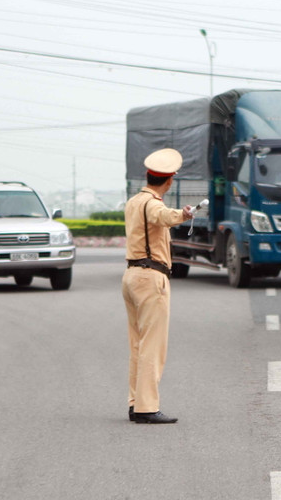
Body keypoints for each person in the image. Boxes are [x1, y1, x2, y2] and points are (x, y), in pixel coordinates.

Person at [122, 148, 194, 424]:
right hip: (150, 278)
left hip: (131, 276)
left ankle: (135, 402)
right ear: (169, 180)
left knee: (138, 345)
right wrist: (184, 215)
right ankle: (146, 408)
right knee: (153, 345)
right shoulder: (153, 203)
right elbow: (162, 216)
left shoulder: (133, 201)